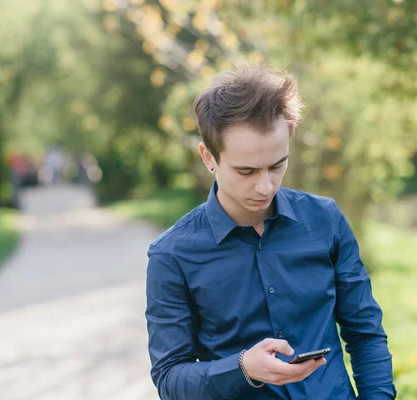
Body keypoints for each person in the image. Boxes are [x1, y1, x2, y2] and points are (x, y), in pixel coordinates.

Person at [145, 66, 396, 400]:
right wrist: (243, 368)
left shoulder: (326, 221)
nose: (265, 186)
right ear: (209, 158)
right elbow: (169, 379)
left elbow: (365, 334)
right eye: (246, 170)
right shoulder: (172, 256)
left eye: (277, 165)